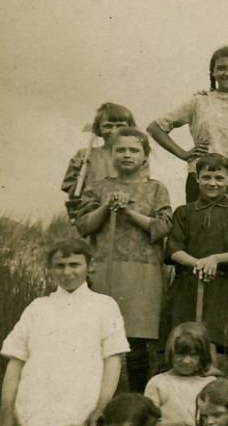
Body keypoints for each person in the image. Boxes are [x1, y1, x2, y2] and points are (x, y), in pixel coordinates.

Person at [73, 128, 171, 389]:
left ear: (145, 156)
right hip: (106, 268)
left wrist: (128, 212)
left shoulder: (156, 189)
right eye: (121, 150)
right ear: (111, 154)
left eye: (134, 150)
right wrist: (107, 206)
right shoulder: (98, 186)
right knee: (103, 339)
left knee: (136, 342)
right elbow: (84, 225)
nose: (127, 155)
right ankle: (103, 404)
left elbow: (162, 228)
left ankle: (136, 404)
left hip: (142, 274)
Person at [148, 45, 228, 209]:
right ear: (212, 72)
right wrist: (183, 154)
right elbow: (155, 128)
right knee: (201, 228)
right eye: (221, 68)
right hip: (204, 176)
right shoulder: (199, 101)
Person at [166, 154, 228, 353]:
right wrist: (198, 263)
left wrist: (215, 259)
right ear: (197, 178)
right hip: (187, 283)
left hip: (223, 286)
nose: (212, 183)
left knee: (218, 342)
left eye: (219, 178)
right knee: (184, 340)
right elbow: (173, 249)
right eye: (206, 177)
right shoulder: (183, 212)